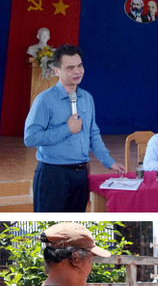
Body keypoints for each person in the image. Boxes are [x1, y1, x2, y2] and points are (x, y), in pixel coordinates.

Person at [25, 45, 126, 212]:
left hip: (81, 174)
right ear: (57, 71)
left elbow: (93, 134)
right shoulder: (44, 100)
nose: (77, 71)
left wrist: (109, 162)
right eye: (70, 67)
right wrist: (66, 129)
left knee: (73, 230)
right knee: (50, 232)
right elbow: (30, 138)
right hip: (53, 174)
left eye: (80, 66)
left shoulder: (87, 98)